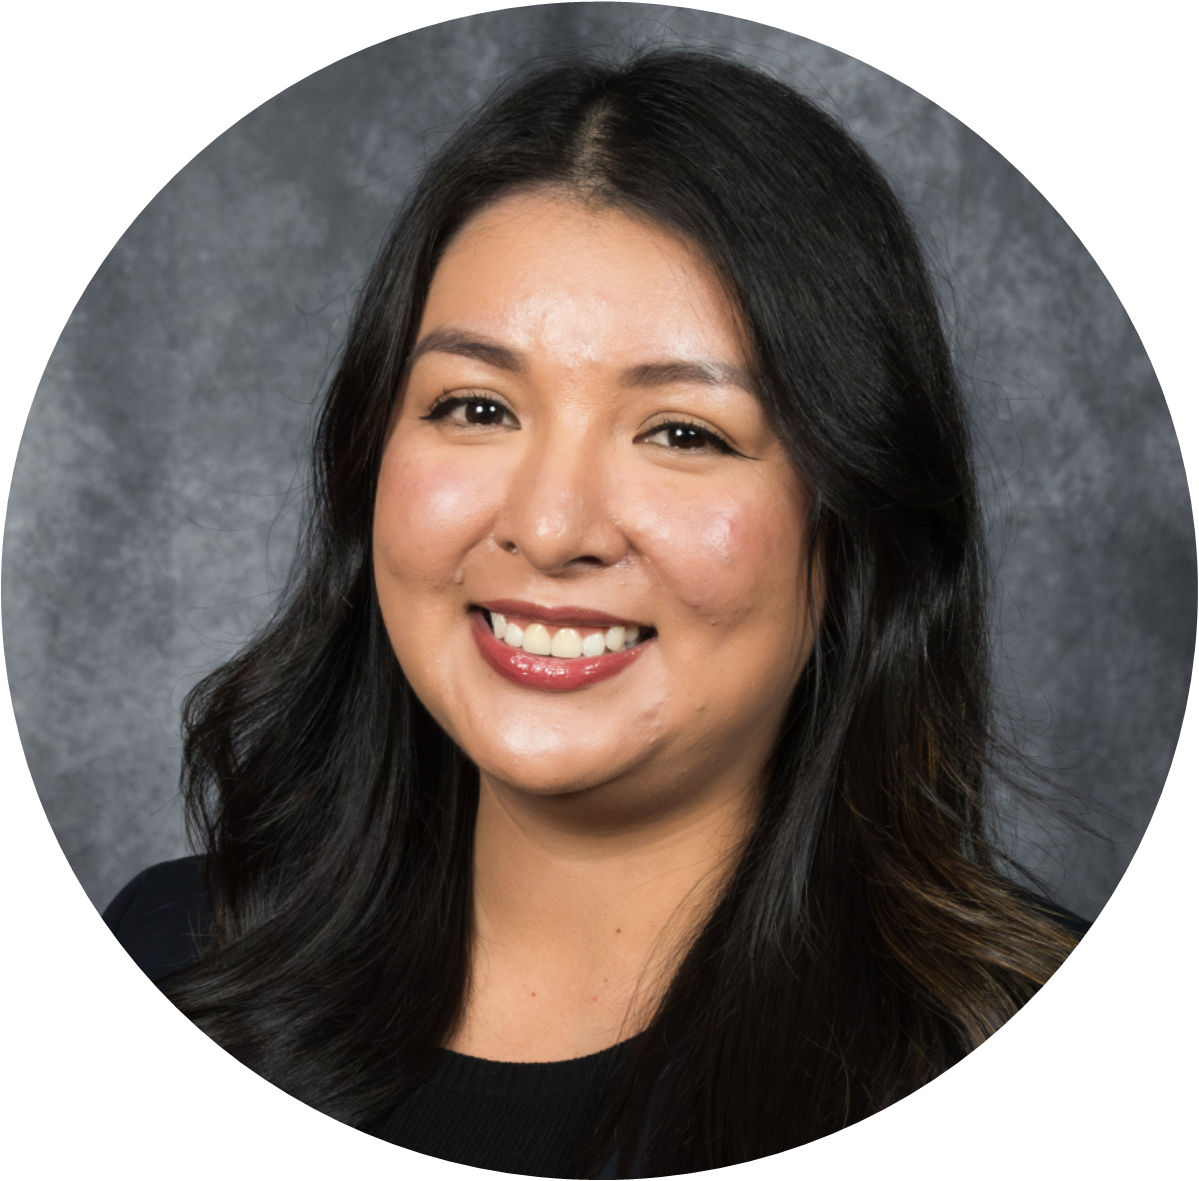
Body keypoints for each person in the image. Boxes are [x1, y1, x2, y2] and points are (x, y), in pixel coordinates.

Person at [102, 47, 1092, 1176]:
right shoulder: (176, 952)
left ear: (854, 525)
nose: (549, 525)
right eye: (476, 407)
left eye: (682, 432)